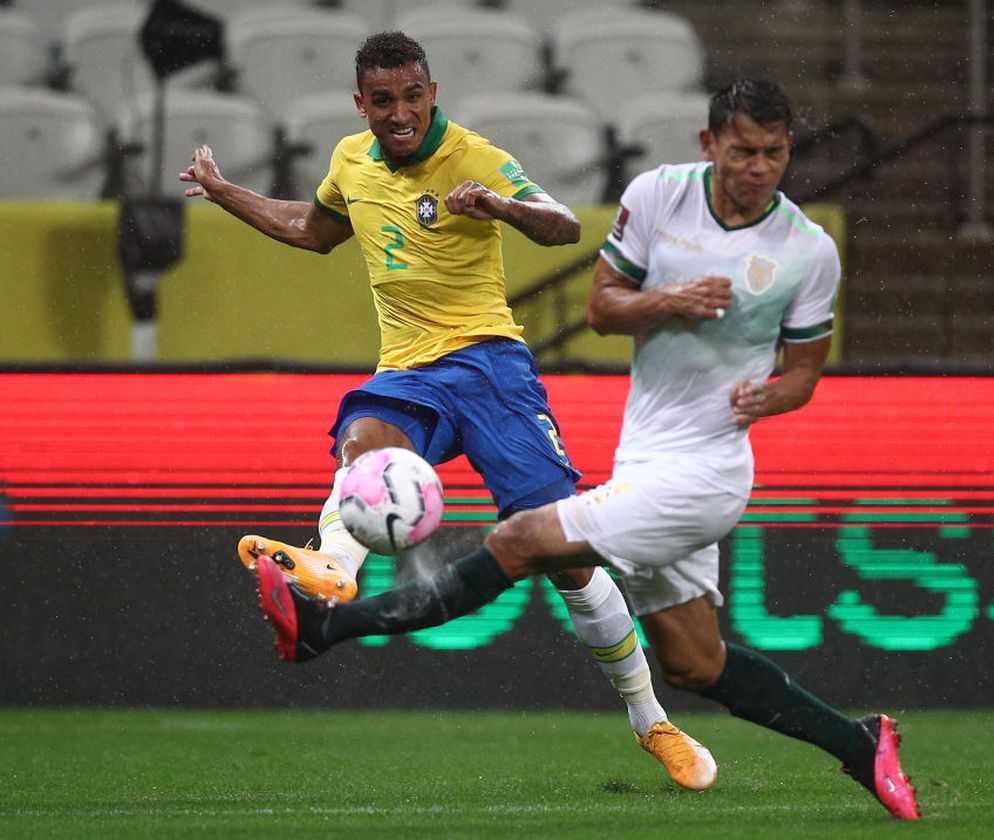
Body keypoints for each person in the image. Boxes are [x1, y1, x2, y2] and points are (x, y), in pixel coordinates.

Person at [248, 78, 922, 819]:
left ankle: (325, 627)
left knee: (522, 541)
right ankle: (859, 743)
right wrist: (669, 300)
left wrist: (772, 397)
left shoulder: (807, 250)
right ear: (710, 145)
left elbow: (803, 373)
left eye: (774, 153)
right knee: (695, 663)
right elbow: (602, 309)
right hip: (646, 456)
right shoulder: (658, 196)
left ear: (789, 149)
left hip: (707, 472)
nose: (758, 167)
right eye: (742, 151)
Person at [180, 31, 716, 791]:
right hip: (410, 372)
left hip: (492, 368)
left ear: (432, 94)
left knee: (568, 558)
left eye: (413, 97)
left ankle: (650, 719)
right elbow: (311, 229)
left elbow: (562, 224)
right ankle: (335, 566)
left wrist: (499, 205)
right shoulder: (351, 161)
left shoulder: (473, 156)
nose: (401, 114)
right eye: (384, 101)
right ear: (360, 104)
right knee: (364, 437)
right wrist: (226, 191)